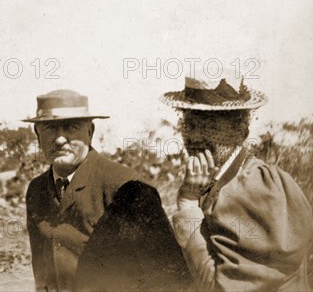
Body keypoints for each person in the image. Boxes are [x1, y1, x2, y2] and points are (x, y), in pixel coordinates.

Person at [24, 89, 191, 291]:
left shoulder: (128, 189)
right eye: (50, 128)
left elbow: (169, 277)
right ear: (37, 134)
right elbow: (41, 273)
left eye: (71, 127)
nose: (60, 139)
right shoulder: (37, 189)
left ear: (90, 132)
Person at [162, 75, 313, 291]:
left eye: (209, 125)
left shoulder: (252, 188)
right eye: (190, 123)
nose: (194, 135)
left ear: (241, 130)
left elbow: (220, 287)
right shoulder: (232, 180)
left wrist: (187, 204)